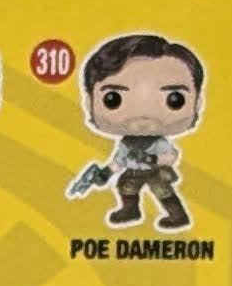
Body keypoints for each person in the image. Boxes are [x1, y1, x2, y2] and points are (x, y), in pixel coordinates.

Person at [66, 31, 207, 228]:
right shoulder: (127, 143)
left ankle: (178, 215)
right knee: (125, 187)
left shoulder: (158, 142)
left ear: (198, 103)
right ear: (89, 103)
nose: (143, 118)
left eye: (175, 99)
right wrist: (105, 173)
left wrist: (152, 160)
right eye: (113, 99)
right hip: (133, 171)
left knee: (163, 191)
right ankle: (130, 210)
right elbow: (119, 161)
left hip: (154, 171)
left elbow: (171, 156)